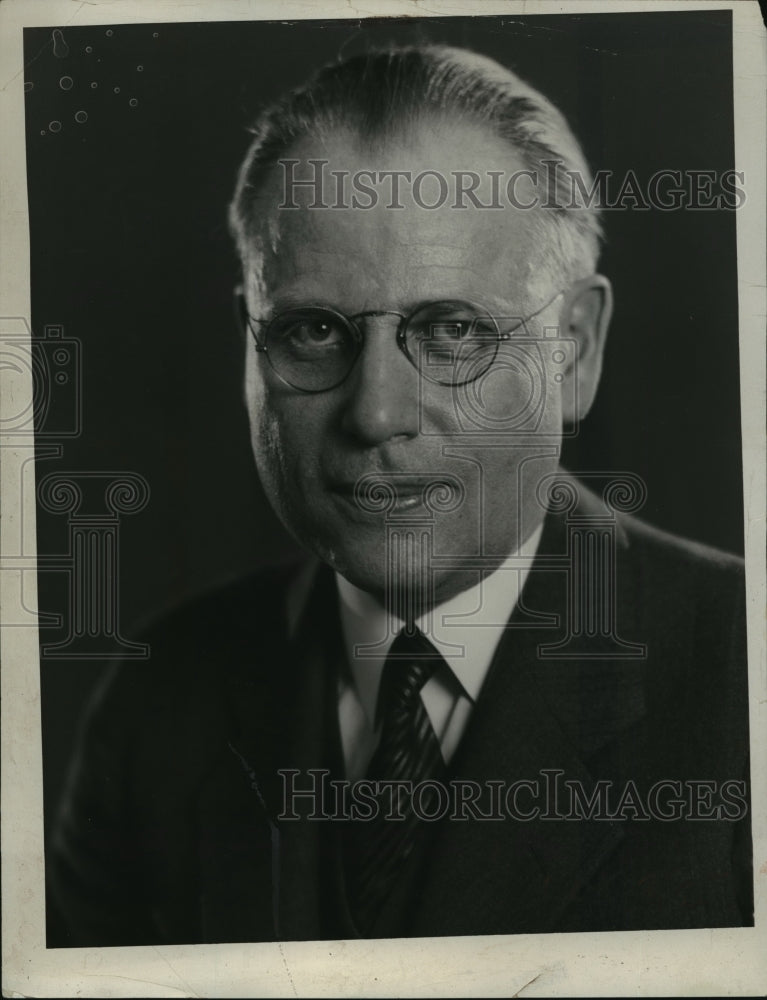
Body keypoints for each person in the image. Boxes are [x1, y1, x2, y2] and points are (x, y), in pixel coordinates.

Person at [47, 44, 752, 945]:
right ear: (249, 348)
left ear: (573, 351)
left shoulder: (743, 674)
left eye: (453, 329)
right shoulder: (157, 708)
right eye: (311, 330)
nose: (376, 413)